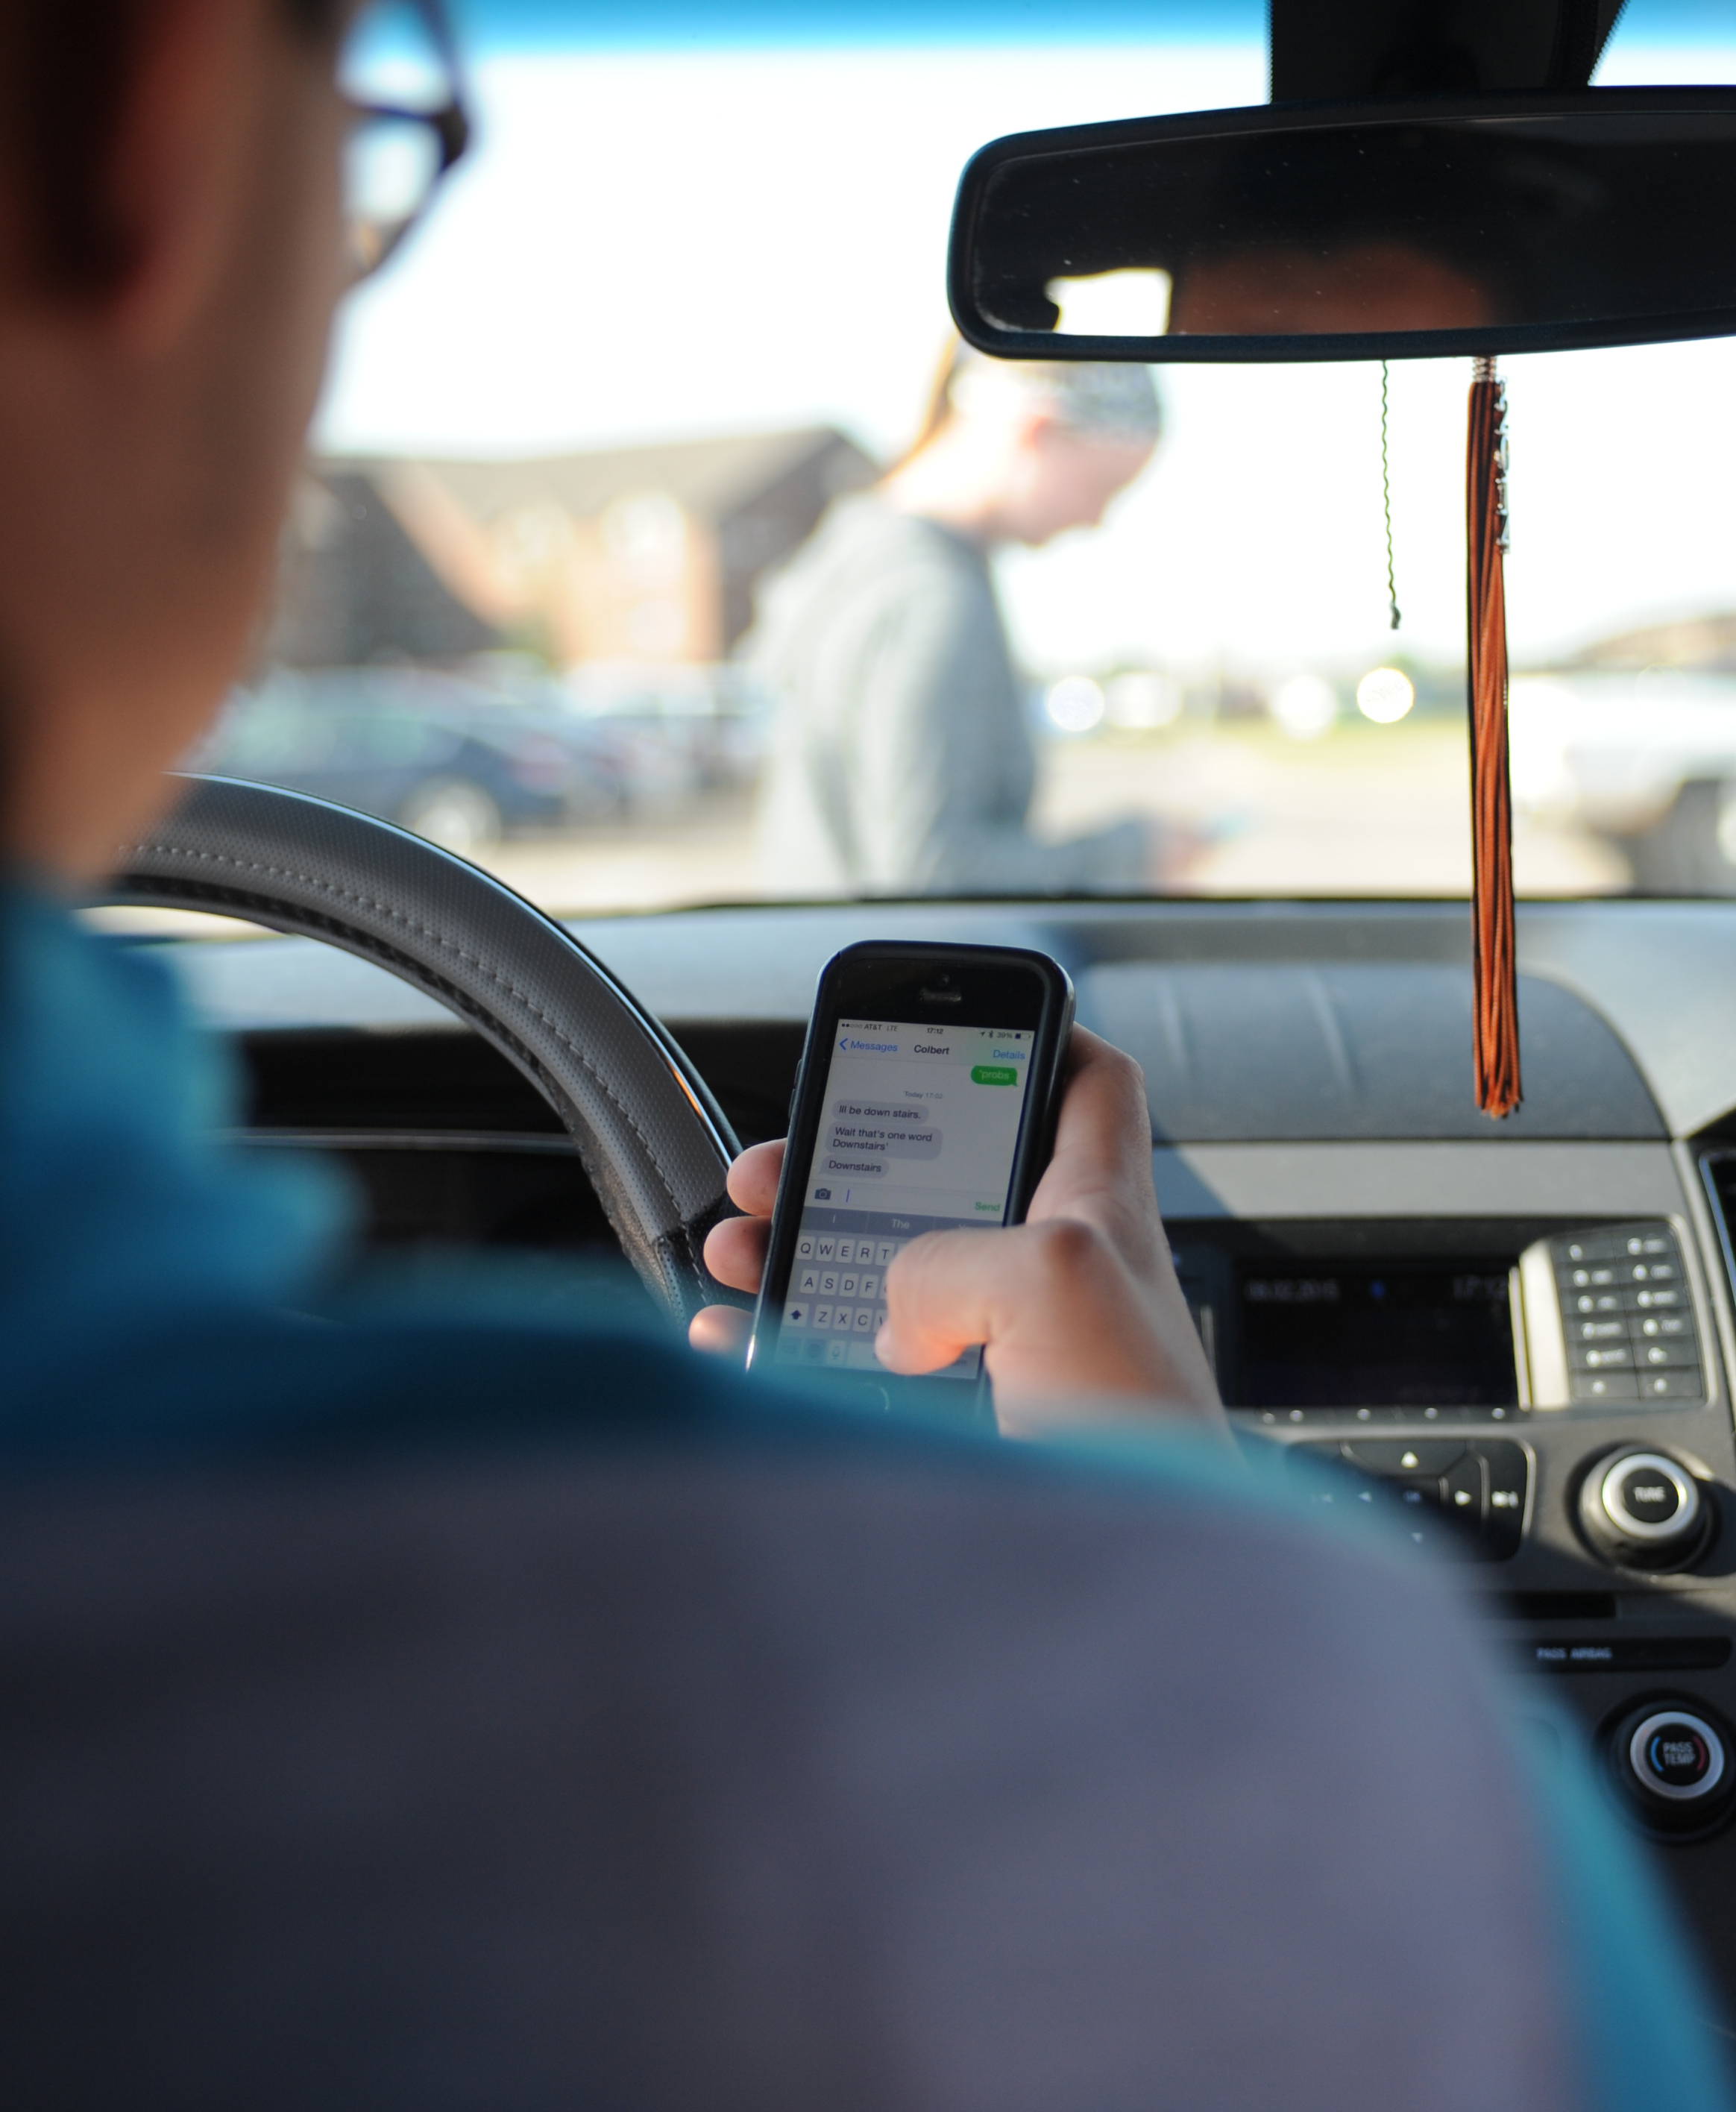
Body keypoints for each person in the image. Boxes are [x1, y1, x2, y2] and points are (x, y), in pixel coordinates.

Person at [0, 2, 1728, 2105]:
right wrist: (1168, 1546)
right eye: (377, 126)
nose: (1105, 521)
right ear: (154, 114)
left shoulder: (844, 565)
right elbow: (935, 869)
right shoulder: (1250, 1742)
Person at [750, 344, 1173, 896]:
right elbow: (930, 874)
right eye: (1103, 489)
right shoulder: (929, 593)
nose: (1096, 519)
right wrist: (1133, 852)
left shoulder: (849, 555)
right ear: (1038, 430)